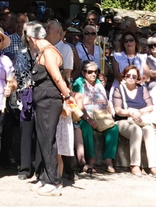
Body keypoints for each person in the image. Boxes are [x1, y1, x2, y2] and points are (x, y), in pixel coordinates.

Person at [24, 21, 73, 196]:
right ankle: (44, 178)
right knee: (43, 139)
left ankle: (53, 181)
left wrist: (67, 96)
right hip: (43, 101)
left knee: (48, 140)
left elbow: (58, 78)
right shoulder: (44, 52)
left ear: (31, 38)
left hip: (49, 101)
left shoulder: (49, 52)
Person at [74, 59, 116, 176]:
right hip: (85, 116)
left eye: (95, 71)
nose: (93, 74)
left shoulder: (98, 83)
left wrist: (110, 113)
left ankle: (108, 159)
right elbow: (79, 106)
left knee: (113, 128)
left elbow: (105, 101)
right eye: (89, 72)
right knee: (86, 128)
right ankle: (90, 159)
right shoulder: (79, 83)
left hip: (101, 115)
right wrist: (88, 119)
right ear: (83, 73)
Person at [110, 65, 152, 176]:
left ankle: (153, 165)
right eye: (128, 75)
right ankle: (135, 165)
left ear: (138, 78)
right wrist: (130, 112)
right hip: (123, 121)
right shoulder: (119, 89)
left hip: (140, 119)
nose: (131, 78)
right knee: (136, 130)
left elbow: (151, 106)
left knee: (149, 130)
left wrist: (140, 112)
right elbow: (118, 110)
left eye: (134, 76)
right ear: (124, 76)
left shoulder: (142, 89)